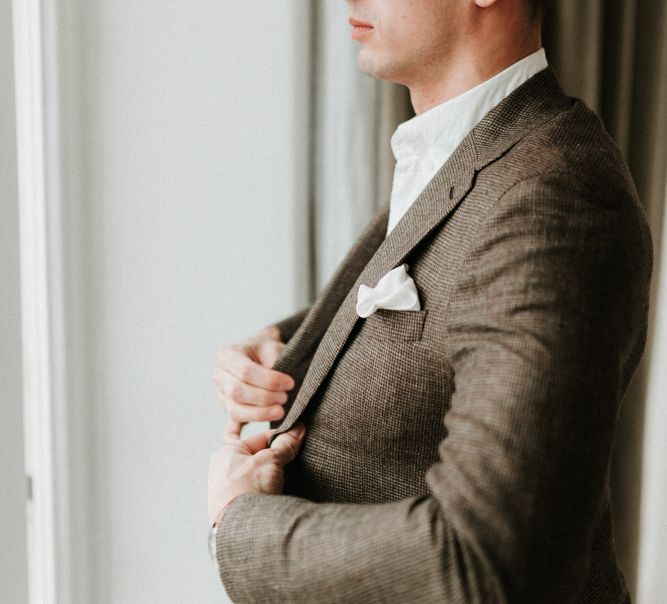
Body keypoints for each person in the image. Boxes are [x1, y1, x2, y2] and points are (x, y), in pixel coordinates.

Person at [207, 0, 652, 601]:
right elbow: (448, 297)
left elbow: (489, 560)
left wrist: (241, 523)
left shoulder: (553, 192)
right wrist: (291, 343)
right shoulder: (462, 155)